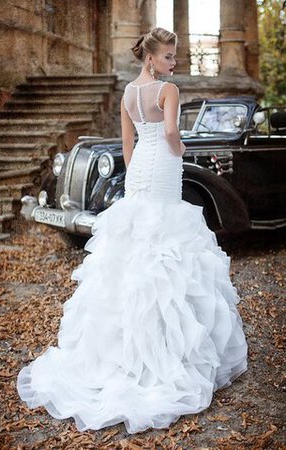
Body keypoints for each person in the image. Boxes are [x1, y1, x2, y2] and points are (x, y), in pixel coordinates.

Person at [17, 27, 248, 435]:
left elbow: (127, 148)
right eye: (169, 57)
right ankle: (166, 355)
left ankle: (118, 352)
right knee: (166, 242)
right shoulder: (168, 90)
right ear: (151, 58)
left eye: (174, 58)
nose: (174, 63)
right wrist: (178, 152)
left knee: (135, 241)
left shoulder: (127, 94)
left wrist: (142, 165)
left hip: (140, 167)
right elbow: (174, 135)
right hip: (163, 166)